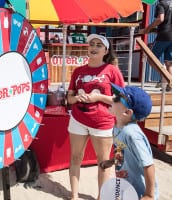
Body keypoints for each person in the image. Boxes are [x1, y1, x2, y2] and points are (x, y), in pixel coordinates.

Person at [66, 34, 125, 200]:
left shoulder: (112, 71)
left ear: (105, 50)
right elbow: (69, 98)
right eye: (92, 44)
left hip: (102, 122)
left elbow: (122, 99)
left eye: (99, 45)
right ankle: (74, 196)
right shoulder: (78, 71)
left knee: (103, 161)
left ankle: (102, 196)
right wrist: (76, 98)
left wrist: (98, 98)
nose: (94, 47)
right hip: (78, 119)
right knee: (75, 157)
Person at [100, 84, 159, 200]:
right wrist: (111, 162)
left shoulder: (132, 135)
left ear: (127, 112)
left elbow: (149, 165)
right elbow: (120, 149)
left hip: (139, 192)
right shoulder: (117, 127)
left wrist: (149, 195)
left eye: (117, 98)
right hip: (125, 184)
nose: (112, 98)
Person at [140, 0, 172, 91]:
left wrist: (147, 29)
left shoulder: (161, 4)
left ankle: (164, 77)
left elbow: (160, 19)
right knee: (169, 63)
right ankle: (170, 84)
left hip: (163, 36)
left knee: (151, 59)